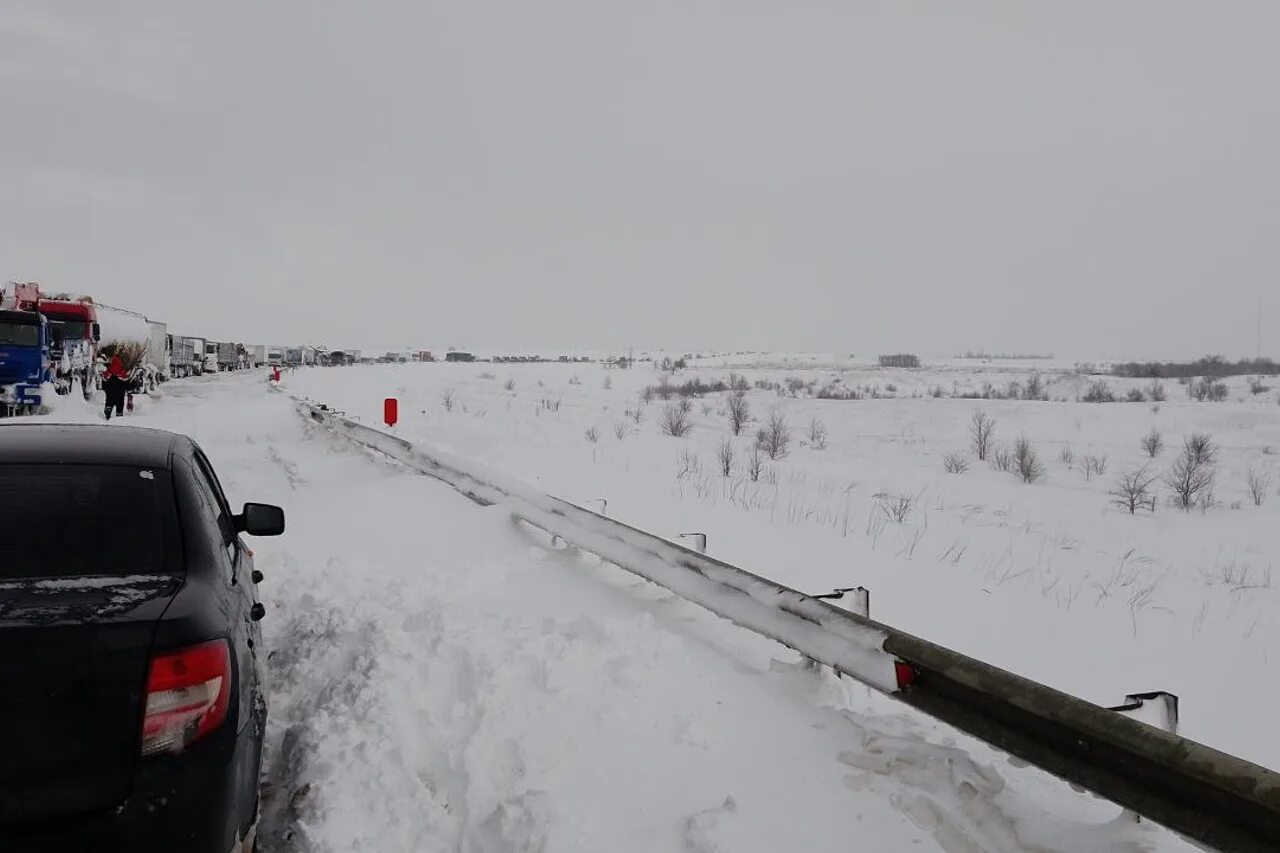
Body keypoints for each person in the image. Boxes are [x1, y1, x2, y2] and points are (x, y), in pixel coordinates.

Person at [102, 355, 130, 420]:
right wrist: (127, 389)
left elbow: (104, 379)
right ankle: (119, 414)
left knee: (109, 401)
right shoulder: (122, 371)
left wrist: (105, 387)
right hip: (120, 392)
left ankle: (108, 409)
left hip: (110, 391)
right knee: (120, 404)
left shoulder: (109, 370)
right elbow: (126, 381)